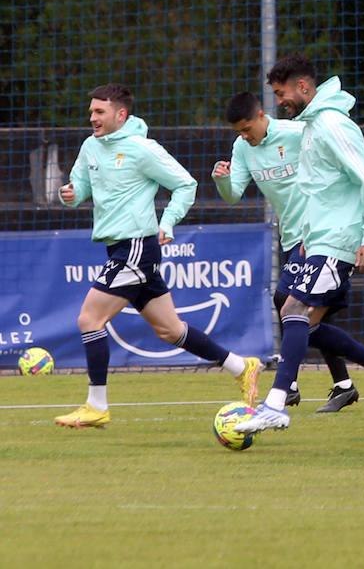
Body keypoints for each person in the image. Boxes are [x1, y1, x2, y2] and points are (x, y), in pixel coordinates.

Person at [55, 84, 261, 428]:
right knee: (170, 331)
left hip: (136, 246)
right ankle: (242, 367)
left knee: (89, 319)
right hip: (119, 247)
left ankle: (96, 405)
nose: (92, 118)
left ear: (121, 114)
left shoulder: (142, 149)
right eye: (91, 111)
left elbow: (185, 184)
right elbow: (78, 192)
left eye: (100, 112)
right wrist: (69, 194)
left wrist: (167, 221)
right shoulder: (90, 147)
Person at [236, 56, 364, 435]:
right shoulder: (312, 125)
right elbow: (319, 190)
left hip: (339, 239)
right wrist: (306, 241)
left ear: (303, 87)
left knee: (295, 309)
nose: (279, 102)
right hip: (317, 241)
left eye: (281, 94)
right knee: (304, 323)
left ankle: (277, 405)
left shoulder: (332, 124)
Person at [213, 92, 358, 413]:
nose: (244, 136)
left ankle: (288, 386)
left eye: (247, 128)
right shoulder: (242, 148)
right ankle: (353, 381)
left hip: (320, 235)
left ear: (262, 115)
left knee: (289, 304)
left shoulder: (297, 135)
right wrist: (220, 180)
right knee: (306, 315)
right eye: (238, 131)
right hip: (293, 237)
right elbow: (234, 194)